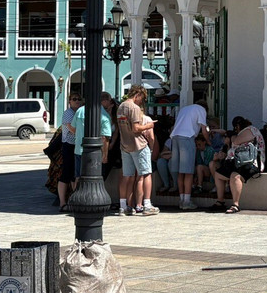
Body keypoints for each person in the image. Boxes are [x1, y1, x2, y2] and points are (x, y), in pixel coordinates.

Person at [116, 85, 159, 216]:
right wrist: (149, 125)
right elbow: (135, 128)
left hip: (125, 144)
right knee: (146, 173)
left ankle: (123, 206)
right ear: (138, 95)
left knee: (127, 175)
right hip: (138, 145)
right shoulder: (133, 108)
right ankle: (147, 204)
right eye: (143, 98)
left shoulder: (121, 107)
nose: (142, 102)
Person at [212, 116, 265, 214]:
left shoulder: (250, 130)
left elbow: (236, 141)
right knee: (219, 174)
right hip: (238, 162)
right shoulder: (241, 133)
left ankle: (235, 205)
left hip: (251, 162)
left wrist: (231, 136)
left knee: (234, 176)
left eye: (235, 127)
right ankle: (220, 201)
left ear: (238, 126)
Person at [169, 96, 209, 210]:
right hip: (187, 138)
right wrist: (209, 142)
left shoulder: (185, 109)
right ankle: (187, 201)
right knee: (188, 172)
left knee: (180, 172)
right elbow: (204, 130)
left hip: (175, 137)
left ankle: (181, 200)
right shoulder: (201, 110)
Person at [71, 95, 112, 185]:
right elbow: (105, 138)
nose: (110, 103)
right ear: (104, 101)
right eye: (110, 101)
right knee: (95, 179)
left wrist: (79, 135)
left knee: (78, 176)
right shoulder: (104, 116)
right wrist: (105, 155)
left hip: (79, 149)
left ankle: (76, 196)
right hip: (96, 153)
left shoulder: (80, 110)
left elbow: (72, 127)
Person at [57, 94, 81, 211]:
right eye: (74, 99)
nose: (77, 101)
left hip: (75, 146)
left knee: (73, 174)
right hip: (68, 145)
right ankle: (62, 202)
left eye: (79, 99)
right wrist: (81, 131)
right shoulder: (68, 113)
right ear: (69, 101)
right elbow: (71, 128)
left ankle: (73, 199)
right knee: (66, 174)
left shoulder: (78, 112)